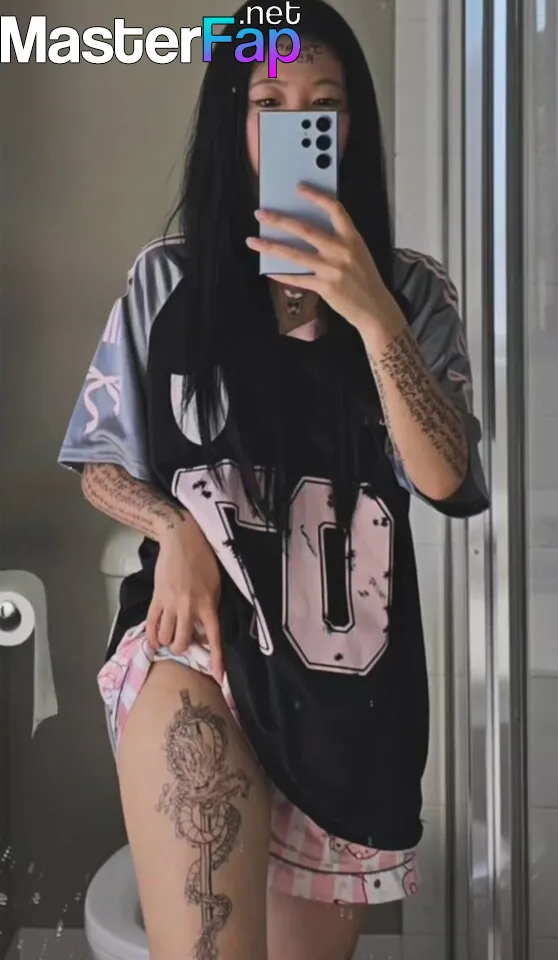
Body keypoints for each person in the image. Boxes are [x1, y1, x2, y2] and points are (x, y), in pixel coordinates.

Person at [58, 2, 489, 958]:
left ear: (352, 128)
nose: (301, 125)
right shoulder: (167, 283)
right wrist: (175, 529)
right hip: (197, 649)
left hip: (347, 697)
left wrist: (370, 311)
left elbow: (449, 479)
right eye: (271, 103)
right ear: (233, 119)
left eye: (324, 108)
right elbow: (100, 461)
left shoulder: (414, 294)